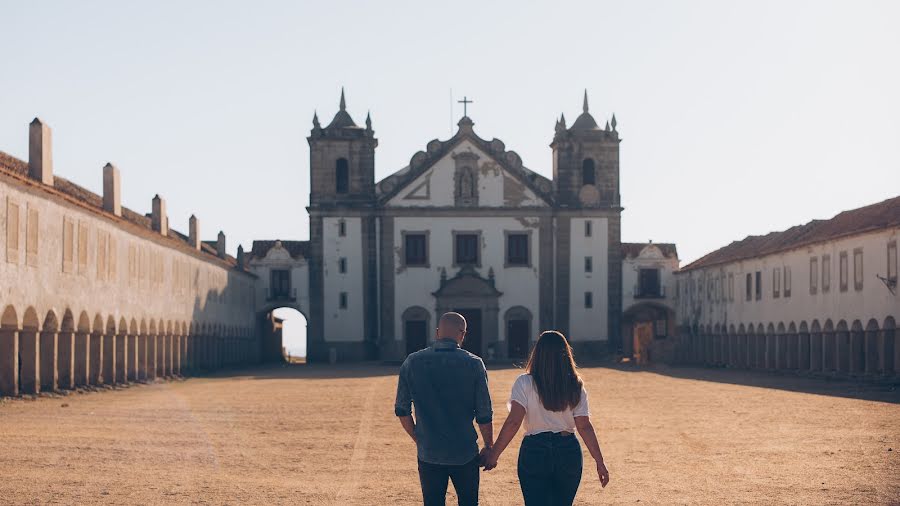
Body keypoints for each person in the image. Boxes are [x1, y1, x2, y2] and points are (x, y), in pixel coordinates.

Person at [484, 330, 610, 505]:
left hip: (535, 450)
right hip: (568, 451)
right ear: (566, 354)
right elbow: (584, 426)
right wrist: (600, 462)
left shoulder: (524, 383)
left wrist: (494, 454)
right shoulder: (576, 385)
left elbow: (514, 422)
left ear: (538, 353)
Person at [395, 312, 494, 506]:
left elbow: (401, 409)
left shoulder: (412, 362)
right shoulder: (474, 364)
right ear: (462, 334)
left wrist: (419, 438)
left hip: (429, 451)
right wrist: (489, 446)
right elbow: (484, 412)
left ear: (438, 332)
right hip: (464, 451)